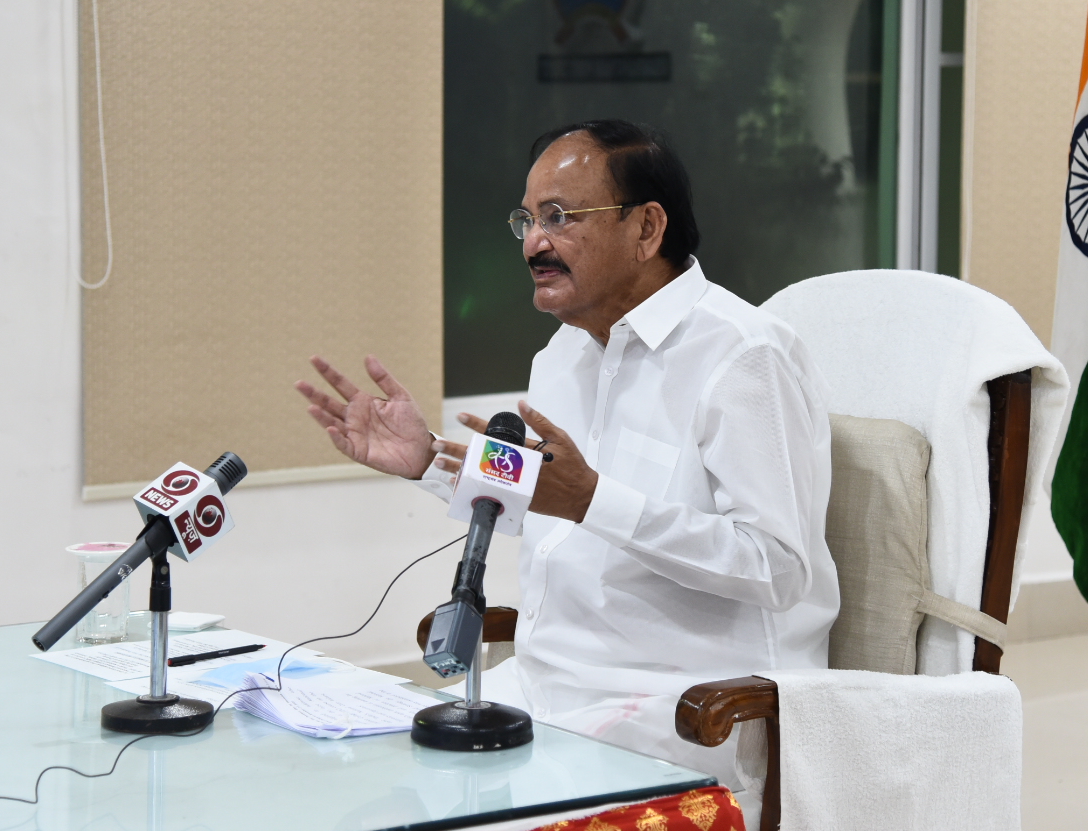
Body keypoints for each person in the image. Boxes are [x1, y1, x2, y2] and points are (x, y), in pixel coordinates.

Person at [296, 120, 838, 808]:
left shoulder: (743, 356)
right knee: (346, 789)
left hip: (680, 713)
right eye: (527, 219)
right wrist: (428, 460)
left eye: (559, 217)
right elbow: (543, 499)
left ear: (647, 228)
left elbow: (780, 567)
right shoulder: (562, 354)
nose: (533, 243)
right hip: (541, 691)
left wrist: (593, 501)